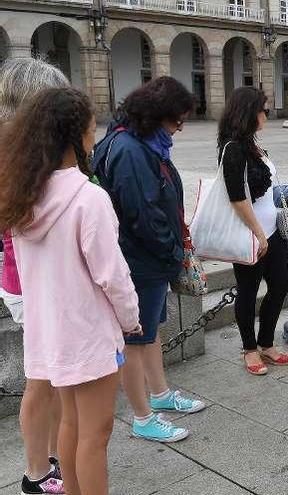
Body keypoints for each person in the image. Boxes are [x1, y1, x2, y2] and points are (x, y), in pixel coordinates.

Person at [0, 87, 142, 495]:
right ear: (78, 134)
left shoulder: (24, 196)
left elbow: (26, 273)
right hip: (89, 332)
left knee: (70, 425)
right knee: (95, 437)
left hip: (51, 333)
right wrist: (131, 319)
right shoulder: (88, 197)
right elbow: (112, 275)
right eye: (91, 128)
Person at [93, 76, 205, 444]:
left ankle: (160, 394)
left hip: (148, 258)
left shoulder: (140, 143)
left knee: (150, 333)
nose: (179, 129)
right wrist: (172, 250)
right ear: (158, 116)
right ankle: (143, 415)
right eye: (177, 121)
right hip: (140, 260)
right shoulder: (129, 149)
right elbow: (141, 213)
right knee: (136, 338)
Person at [0, 57, 68, 495]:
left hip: (39, 279)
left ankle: (50, 460)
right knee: (42, 379)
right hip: (28, 282)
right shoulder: (13, 156)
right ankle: (36, 473)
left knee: (54, 379)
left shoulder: (24, 150)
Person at [216, 87, 288, 375]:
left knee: (280, 285)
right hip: (250, 233)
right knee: (248, 291)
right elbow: (237, 197)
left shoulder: (253, 146)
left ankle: (266, 343)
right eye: (264, 110)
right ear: (250, 112)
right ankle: (250, 349)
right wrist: (258, 233)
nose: (267, 115)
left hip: (271, 230)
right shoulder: (233, 148)